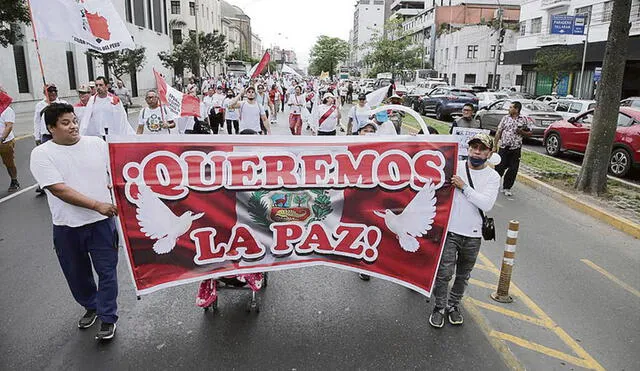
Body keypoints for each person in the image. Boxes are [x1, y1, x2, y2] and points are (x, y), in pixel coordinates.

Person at [30, 103, 119, 340]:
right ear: (51, 128)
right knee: (77, 274)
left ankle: (108, 316)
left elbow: (115, 170)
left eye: (74, 121)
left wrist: (114, 185)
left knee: (107, 271)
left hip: (102, 224)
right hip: (67, 226)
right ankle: (92, 305)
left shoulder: (97, 145)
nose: (73, 127)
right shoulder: (41, 154)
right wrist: (97, 204)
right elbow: (59, 190)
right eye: (65, 123)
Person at [429, 133, 500, 328]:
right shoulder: (455, 167)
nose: (476, 152)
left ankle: (453, 305)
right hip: (450, 232)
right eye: (473, 148)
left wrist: (464, 187)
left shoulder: (493, 177)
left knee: (463, 275)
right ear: (467, 149)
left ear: (489, 153)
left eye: (482, 149)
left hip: (473, 235)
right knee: (443, 274)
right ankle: (439, 307)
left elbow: (486, 204)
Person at [493, 101, 531, 198]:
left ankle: (507, 187)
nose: (509, 109)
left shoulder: (524, 119)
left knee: (513, 169)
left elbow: (530, 133)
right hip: (504, 147)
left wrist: (521, 131)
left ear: (516, 109)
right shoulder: (505, 118)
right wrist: (494, 145)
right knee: (499, 167)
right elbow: (499, 131)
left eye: (511, 107)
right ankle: (493, 185)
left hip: (516, 148)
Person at [0, 88, 19, 192]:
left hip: (5, 142)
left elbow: (9, 126)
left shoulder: (7, 110)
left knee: (9, 163)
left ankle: (14, 180)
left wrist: (2, 138)